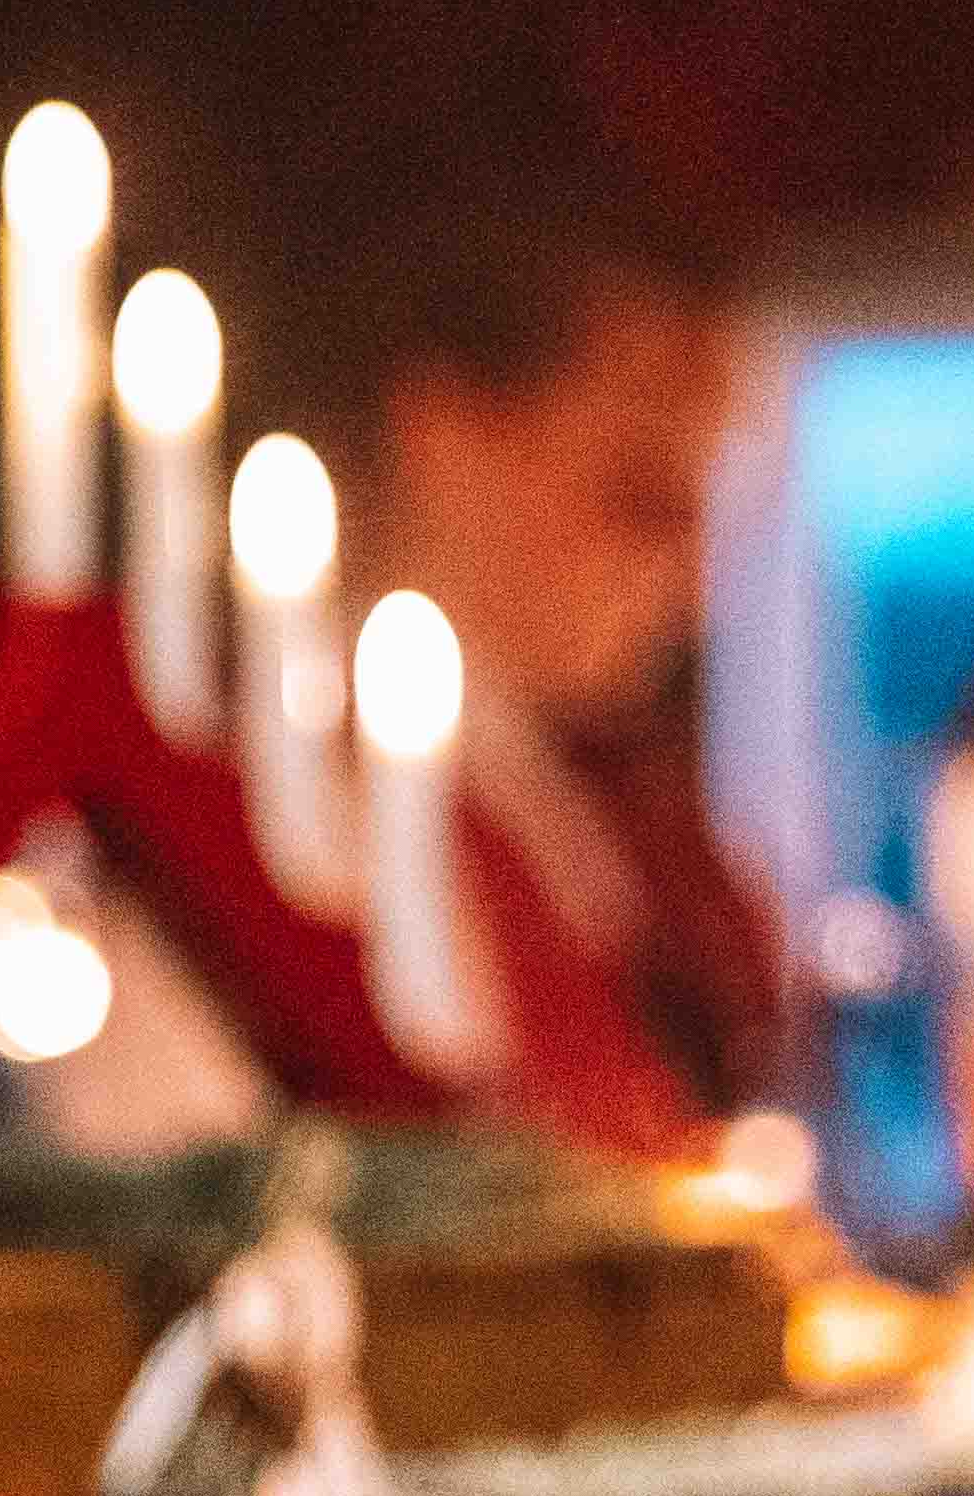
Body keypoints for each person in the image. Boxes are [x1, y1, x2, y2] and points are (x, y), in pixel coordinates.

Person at [286, 157, 782, 1144]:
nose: (691, 574)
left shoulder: (600, 805)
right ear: (447, 435)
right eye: (642, 493)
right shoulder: (285, 816)